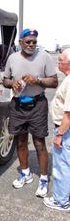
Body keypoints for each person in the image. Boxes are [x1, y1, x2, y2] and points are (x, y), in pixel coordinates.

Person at [3, 28, 58, 197]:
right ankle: (25, 173)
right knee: (20, 141)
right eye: (28, 41)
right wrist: (12, 84)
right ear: (20, 42)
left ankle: (43, 179)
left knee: (39, 143)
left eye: (34, 41)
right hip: (18, 105)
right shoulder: (12, 58)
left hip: (38, 104)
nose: (32, 45)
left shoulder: (45, 57)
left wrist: (38, 80)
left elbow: (54, 81)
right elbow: (5, 80)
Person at [43, 48, 70, 211]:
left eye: (60, 60)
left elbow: (68, 114)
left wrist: (59, 134)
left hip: (65, 130)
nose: (57, 62)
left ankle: (61, 201)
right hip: (65, 129)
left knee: (62, 166)